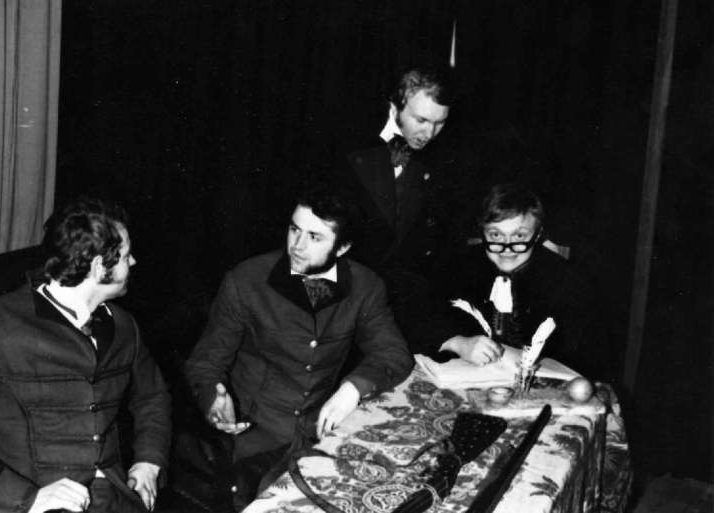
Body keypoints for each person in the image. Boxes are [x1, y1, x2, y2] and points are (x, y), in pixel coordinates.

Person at [0, 197, 172, 513]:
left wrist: (149, 459)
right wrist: (23, 498)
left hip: (118, 500)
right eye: (126, 256)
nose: (133, 262)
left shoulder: (123, 326)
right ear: (98, 267)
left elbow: (152, 396)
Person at [184, 183, 413, 510]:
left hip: (319, 431)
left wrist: (352, 389)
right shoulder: (246, 280)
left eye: (315, 237)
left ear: (343, 247)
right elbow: (205, 363)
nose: (297, 246)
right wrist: (212, 398)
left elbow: (393, 354)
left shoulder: (365, 286)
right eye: (295, 230)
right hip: (252, 438)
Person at [334, 65, 480, 351]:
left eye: (440, 122)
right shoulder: (347, 139)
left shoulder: (446, 158)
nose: (430, 133)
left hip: (398, 304)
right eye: (421, 120)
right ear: (395, 107)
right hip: (342, 296)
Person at [415, 183, 613, 381]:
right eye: (495, 235)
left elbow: (588, 358)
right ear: (482, 233)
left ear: (537, 234)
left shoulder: (568, 282)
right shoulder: (459, 266)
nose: (507, 248)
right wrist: (457, 342)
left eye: (519, 236)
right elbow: (417, 311)